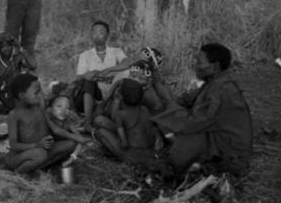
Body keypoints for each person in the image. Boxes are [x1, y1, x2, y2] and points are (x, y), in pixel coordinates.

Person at [151, 43, 253, 177]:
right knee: (166, 122)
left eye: (199, 62)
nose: (195, 66)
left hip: (229, 155)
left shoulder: (220, 90)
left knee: (181, 141)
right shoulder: (215, 82)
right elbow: (186, 100)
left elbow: (190, 124)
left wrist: (158, 89)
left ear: (215, 66)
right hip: (218, 141)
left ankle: (180, 168)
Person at [5, 73, 76, 174]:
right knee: (40, 154)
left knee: (71, 144)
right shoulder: (14, 115)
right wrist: (37, 145)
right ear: (21, 96)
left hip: (42, 149)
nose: (40, 95)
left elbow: (53, 129)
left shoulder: (39, 108)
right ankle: (20, 173)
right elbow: (14, 146)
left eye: (40, 91)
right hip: (20, 156)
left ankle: (37, 167)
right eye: (36, 92)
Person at [73, 20, 127, 132]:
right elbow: (78, 79)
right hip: (93, 95)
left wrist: (111, 69)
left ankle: (106, 112)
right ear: (91, 36)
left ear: (107, 35)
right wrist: (86, 75)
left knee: (127, 74)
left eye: (101, 32)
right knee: (88, 82)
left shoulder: (116, 51)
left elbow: (127, 63)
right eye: (94, 32)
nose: (97, 35)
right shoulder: (85, 55)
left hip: (111, 92)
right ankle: (87, 123)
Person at [93, 79, 160, 164]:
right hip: (149, 153)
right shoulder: (145, 109)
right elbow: (151, 130)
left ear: (121, 97)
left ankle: (121, 159)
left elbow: (124, 144)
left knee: (101, 132)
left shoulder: (120, 115)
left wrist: (119, 139)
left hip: (132, 157)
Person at [45, 94, 91, 167]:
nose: (63, 110)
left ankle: (53, 163)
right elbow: (56, 131)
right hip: (45, 148)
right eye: (59, 106)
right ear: (50, 109)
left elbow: (80, 140)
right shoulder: (47, 118)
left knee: (72, 143)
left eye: (67, 108)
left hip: (60, 149)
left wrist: (72, 158)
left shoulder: (68, 123)